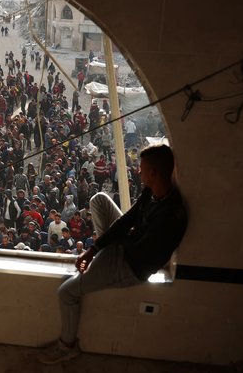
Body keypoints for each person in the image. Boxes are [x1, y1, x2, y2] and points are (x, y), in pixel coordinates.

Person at [38, 145, 188, 364]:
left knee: (66, 293)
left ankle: (67, 346)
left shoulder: (170, 215)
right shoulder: (152, 192)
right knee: (99, 199)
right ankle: (102, 252)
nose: (138, 171)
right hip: (127, 244)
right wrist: (94, 249)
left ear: (154, 173)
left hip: (131, 265)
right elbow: (128, 220)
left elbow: (140, 251)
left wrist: (107, 245)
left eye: (142, 168)